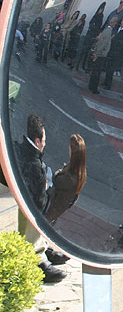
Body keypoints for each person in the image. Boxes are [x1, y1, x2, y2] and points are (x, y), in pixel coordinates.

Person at [16, 115, 67, 283]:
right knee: (34, 218)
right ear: (37, 141)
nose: (45, 143)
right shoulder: (34, 165)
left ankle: (43, 247)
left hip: (26, 195)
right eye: (44, 139)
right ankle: (37, 259)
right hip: (31, 207)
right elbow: (40, 205)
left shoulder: (26, 150)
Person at [46, 134, 87, 224]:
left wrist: (58, 172)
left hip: (51, 209)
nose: (68, 150)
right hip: (57, 208)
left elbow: (56, 179)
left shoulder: (71, 178)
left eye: (70, 149)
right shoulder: (80, 171)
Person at [103, 12, 123, 89]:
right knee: (108, 67)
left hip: (115, 52)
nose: (121, 22)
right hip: (111, 50)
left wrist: (113, 39)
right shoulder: (118, 28)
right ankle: (105, 82)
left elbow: (120, 44)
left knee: (111, 69)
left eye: (122, 21)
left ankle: (108, 84)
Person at [87, 16, 114, 94]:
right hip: (101, 55)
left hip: (99, 53)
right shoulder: (108, 31)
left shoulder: (106, 30)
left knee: (95, 71)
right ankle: (94, 88)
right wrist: (97, 54)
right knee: (97, 72)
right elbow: (103, 44)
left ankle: (91, 86)